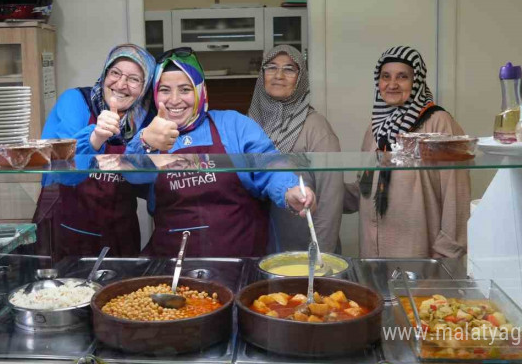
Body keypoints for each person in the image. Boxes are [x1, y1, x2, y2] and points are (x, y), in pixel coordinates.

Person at [128, 51, 316, 257]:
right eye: (165, 90)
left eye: (185, 89)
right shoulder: (151, 134)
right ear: (155, 95)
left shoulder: (233, 124)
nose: (174, 100)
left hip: (240, 260)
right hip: (173, 265)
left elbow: (270, 164)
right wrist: (145, 140)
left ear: (201, 91)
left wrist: (289, 189)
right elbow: (132, 175)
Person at [33, 44, 156, 262]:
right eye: (115, 73)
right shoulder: (75, 101)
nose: (121, 84)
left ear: (145, 88)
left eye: (134, 79)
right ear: (105, 73)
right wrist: (95, 138)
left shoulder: (145, 119)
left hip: (120, 235)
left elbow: (147, 185)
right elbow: (65, 172)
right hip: (66, 231)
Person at [346, 46, 470, 258]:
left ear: (416, 82)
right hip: (372, 253)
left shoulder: (439, 123)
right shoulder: (375, 128)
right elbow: (365, 189)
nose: (392, 84)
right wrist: (321, 191)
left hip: (420, 255)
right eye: (386, 76)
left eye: (402, 76)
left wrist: (446, 255)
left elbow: (456, 197)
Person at [248, 45, 344, 253]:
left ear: (301, 79)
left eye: (289, 69)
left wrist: (321, 256)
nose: (278, 75)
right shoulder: (249, 125)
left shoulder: (316, 127)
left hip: (305, 249)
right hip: (259, 246)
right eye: (271, 67)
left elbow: (330, 200)